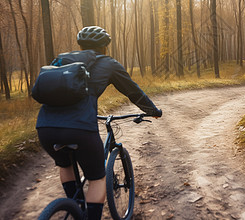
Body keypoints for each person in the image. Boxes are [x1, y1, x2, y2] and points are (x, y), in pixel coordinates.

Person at [36, 26, 162, 220]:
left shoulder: (61, 60)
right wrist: (153, 111)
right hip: (80, 128)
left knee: (65, 165)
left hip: (45, 127)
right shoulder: (109, 63)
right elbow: (133, 91)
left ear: (81, 45)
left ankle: (76, 209)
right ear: (105, 47)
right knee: (97, 178)